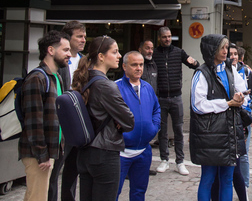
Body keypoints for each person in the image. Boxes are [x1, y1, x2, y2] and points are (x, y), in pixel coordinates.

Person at [72, 35, 135, 201]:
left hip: (85, 152)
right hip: (104, 153)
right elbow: (129, 121)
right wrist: (118, 122)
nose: (119, 56)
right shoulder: (106, 85)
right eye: (114, 52)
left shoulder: (85, 78)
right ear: (101, 56)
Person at [189, 34, 248, 201]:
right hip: (210, 134)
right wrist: (228, 103)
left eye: (226, 47)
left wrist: (241, 98)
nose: (225, 51)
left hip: (230, 132)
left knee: (227, 179)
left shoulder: (230, 69)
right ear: (211, 50)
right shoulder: (202, 73)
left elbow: (243, 89)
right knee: (208, 179)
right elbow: (197, 105)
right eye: (221, 47)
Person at [19, 30, 71, 201]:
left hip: (49, 152)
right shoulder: (37, 78)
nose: (69, 54)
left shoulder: (55, 77)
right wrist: (42, 154)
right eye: (65, 50)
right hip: (39, 154)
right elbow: (33, 121)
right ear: (50, 50)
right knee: (37, 197)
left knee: (34, 196)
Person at [153, 27, 199, 175]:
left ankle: (180, 162)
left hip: (176, 97)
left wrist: (195, 62)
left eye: (169, 36)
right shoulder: (155, 54)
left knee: (179, 130)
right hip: (160, 97)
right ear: (160, 38)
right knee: (162, 131)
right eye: (164, 37)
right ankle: (164, 160)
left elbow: (194, 65)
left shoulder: (178, 52)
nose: (167, 39)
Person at [116, 51, 161, 201]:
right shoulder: (115, 87)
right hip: (121, 152)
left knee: (139, 192)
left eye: (141, 64)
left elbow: (156, 109)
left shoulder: (147, 87)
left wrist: (154, 128)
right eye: (134, 64)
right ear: (124, 66)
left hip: (143, 151)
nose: (138, 68)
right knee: (113, 192)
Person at [51, 21, 86, 201]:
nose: (83, 40)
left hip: (78, 124)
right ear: (67, 38)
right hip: (62, 125)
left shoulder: (84, 61)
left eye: (84, 37)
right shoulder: (60, 62)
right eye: (79, 36)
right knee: (54, 171)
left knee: (73, 171)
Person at [230, 44, 252, 189]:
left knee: (244, 154)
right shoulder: (222, 71)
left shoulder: (247, 71)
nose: (233, 57)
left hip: (244, 117)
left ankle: (245, 187)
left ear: (239, 56)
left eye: (235, 54)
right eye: (230, 54)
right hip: (228, 117)